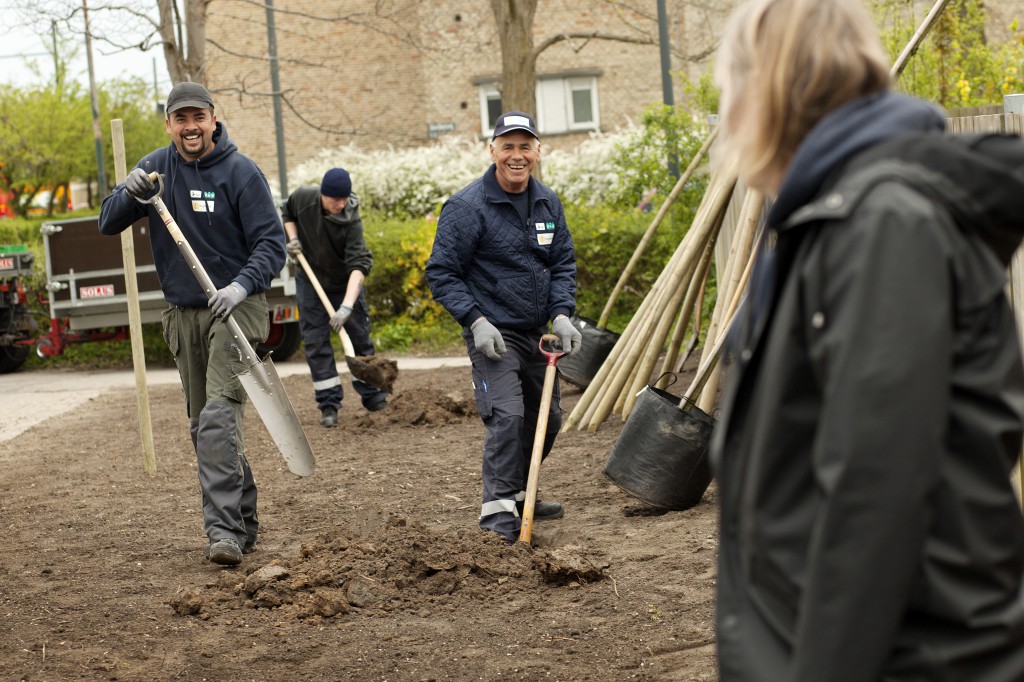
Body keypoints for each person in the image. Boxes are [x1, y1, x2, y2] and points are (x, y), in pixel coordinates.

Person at [710, 1, 1024, 679]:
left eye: (728, 87)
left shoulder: (882, 225)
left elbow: (873, 491)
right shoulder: (827, 220)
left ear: (770, 88)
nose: (724, 115)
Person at [98, 81, 286, 567]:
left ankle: (223, 532)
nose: (190, 127)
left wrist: (240, 287)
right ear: (169, 124)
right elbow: (107, 222)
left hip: (236, 308)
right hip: (184, 314)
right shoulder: (156, 169)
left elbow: (271, 246)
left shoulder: (241, 173)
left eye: (198, 117)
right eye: (180, 119)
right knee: (204, 426)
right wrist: (129, 191)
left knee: (220, 416)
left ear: (214, 119)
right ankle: (243, 515)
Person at [425, 111, 583, 544]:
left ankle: (519, 494)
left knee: (545, 421)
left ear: (537, 151)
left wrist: (563, 313)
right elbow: (442, 273)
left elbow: (562, 264)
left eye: (525, 146)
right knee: (508, 417)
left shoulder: (547, 202)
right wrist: (475, 321)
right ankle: (497, 523)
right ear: (492, 149)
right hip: (493, 335)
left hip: (536, 333)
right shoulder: (466, 207)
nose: (517, 155)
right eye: (508, 146)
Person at [280, 168, 389, 427]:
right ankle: (328, 404)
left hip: (344, 284)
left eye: (343, 199)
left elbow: (359, 266)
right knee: (316, 342)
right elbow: (287, 212)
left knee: (359, 339)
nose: (340, 205)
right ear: (322, 195)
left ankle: (374, 397)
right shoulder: (305, 198)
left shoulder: (351, 220)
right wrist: (293, 239)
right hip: (311, 280)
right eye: (334, 200)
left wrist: (346, 307)